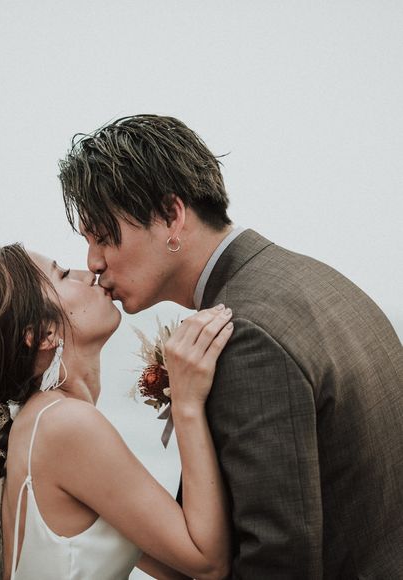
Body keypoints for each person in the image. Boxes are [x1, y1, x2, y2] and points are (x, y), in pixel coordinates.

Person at [58, 114, 403, 579]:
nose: (93, 262)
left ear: (171, 217)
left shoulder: (247, 337)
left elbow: (276, 561)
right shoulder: (321, 282)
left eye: (103, 237)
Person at [0, 243, 234, 580]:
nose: (88, 273)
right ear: (43, 334)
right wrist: (188, 405)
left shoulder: (38, 424)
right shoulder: (62, 424)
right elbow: (208, 563)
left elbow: (177, 570)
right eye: (63, 275)